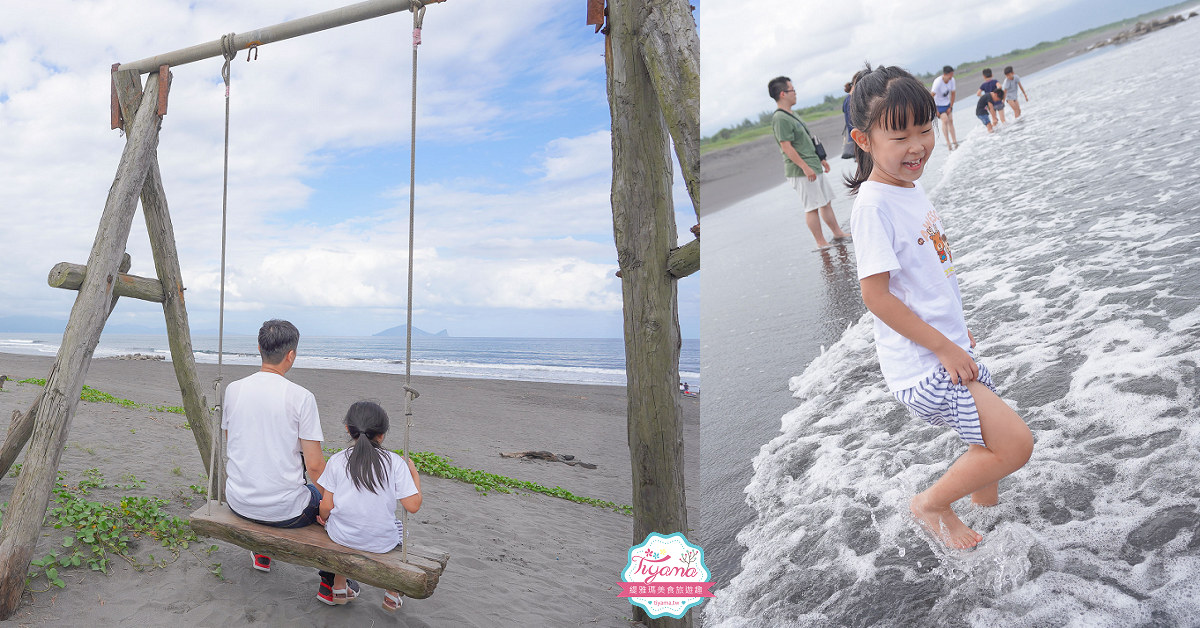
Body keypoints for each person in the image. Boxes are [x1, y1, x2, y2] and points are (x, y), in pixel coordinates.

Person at [844, 65, 1033, 549]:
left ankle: (991, 518)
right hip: (924, 366)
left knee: (987, 447)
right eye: (900, 135)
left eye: (925, 130)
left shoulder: (908, 185)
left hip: (946, 350)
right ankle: (930, 504)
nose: (918, 146)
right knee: (1015, 444)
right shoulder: (873, 206)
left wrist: (955, 340)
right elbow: (875, 295)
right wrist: (945, 349)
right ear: (863, 141)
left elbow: (926, 276)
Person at [222, 319, 326, 574]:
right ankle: (330, 583)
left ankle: (262, 554)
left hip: (238, 501)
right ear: (291, 355)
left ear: (259, 348)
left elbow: (232, 441)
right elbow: (313, 465)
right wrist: (332, 498)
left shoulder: (234, 389)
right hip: (286, 512)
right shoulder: (301, 397)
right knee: (326, 501)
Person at [316, 401, 422, 610]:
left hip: (342, 536)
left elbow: (326, 505)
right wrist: (414, 473)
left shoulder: (337, 460)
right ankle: (392, 592)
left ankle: (338, 586)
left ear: (348, 429)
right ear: (382, 434)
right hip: (381, 542)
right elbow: (413, 506)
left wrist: (324, 518)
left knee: (339, 522)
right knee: (400, 530)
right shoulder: (394, 463)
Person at [768, 75, 851, 248]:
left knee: (825, 201)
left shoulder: (791, 114)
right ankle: (820, 243)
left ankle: (837, 233)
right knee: (812, 207)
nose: (795, 93)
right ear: (783, 93)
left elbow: (805, 140)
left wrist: (821, 159)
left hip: (813, 165)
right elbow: (786, 147)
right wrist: (805, 167)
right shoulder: (780, 118)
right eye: (793, 90)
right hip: (801, 171)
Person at [929, 65, 958, 151]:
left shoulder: (952, 80)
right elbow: (931, 96)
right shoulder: (938, 82)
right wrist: (935, 110)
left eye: (952, 74)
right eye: (950, 75)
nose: (951, 77)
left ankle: (955, 141)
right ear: (945, 74)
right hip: (938, 105)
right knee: (945, 120)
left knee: (951, 120)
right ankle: (948, 143)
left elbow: (953, 94)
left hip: (947, 104)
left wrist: (951, 106)